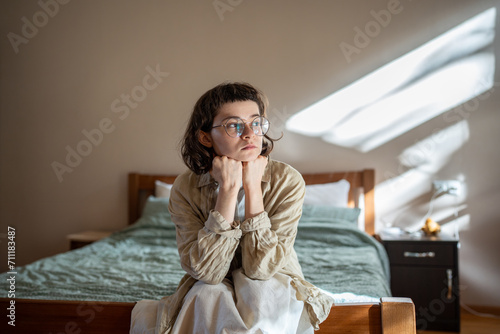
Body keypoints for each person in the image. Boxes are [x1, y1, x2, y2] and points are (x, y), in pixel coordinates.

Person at [153, 82, 334, 334]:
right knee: (206, 294)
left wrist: (252, 188)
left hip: (274, 276)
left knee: (265, 291)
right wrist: (228, 189)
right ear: (205, 137)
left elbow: (261, 269)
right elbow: (208, 272)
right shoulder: (185, 187)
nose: (250, 133)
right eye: (234, 125)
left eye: (256, 122)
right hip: (212, 280)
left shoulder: (287, 180)